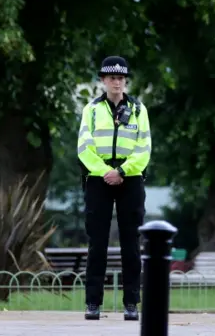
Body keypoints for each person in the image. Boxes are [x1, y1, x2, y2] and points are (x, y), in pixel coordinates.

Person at [77, 55, 151, 321]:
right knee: (97, 243)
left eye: (121, 78)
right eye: (111, 77)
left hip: (129, 179)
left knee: (131, 244)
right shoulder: (91, 110)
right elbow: (84, 148)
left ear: (125, 80)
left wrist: (121, 171)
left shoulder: (139, 110)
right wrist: (105, 171)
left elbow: (144, 149)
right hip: (99, 178)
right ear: (103, 81)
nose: (116, 82)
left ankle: (131, 303)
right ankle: (93, 303)